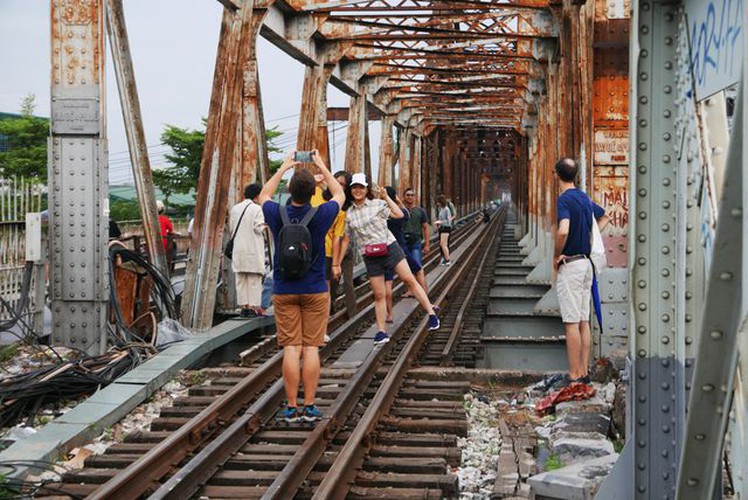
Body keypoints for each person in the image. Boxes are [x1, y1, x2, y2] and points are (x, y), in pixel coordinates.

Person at [259, 150, 344, 423]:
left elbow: (264, 194)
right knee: (311, 348)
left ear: (290, 191)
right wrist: (321, 165)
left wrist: (284, 167)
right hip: (315, 289)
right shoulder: (322, 213)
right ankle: (309, 406)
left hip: (284, 290)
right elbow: (339, 194)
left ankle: (291, 407)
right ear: (312, 192)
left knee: (291, 348)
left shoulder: (276, 213)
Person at [345, 174, 439, 345]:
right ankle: (381, 332)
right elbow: (346, 238)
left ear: (366, 190)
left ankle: (431, 314)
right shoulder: (349, 214)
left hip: (389, 248)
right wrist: (336, 262)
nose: (357, 190)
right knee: (379, 294)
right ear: (350, 190)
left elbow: (399, 214)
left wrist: (386, 196)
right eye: (354, 188)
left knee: (409, 279)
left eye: (361, 187)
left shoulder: (377, 204)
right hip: (370, 255)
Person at [553, 158, 610, 386]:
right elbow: (604, 216)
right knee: (583, 321)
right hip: (587, 265)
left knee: (570, 323)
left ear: (556, 175)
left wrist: (557, 254)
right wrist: (590, 236)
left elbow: (563, 229)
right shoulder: (584, 198)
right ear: (575, 175)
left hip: (572, 265)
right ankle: (584, 372)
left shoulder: (564, 200)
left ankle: (575, 375)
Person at [382, 186, 432, 323]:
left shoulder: (381, 213)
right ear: (397, 197)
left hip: (385, 250)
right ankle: (426, 300)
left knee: (388, 283)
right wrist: (397, 201)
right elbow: (405, 214)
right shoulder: (400, 213)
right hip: (400, 249)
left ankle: (389, 315)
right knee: (418, 270)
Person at [229, 183, 266, 318]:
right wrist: (265, 226)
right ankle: (253, 307)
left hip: (238, 250)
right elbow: (258, 228)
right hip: (253, 249)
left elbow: (232, 228)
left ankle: (244, 306)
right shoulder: (257, 209)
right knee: (254, 280)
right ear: (257, 195)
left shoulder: (235, 208)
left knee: (241, 279)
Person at [330, 171, 356, 319]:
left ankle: (353, 315)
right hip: (331, 249)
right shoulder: (328, 201)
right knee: (332, 283)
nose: (339, 186)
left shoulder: (349, 207)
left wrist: (337, 263)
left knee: (348, 283)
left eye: (342, 184)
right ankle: (330, 310)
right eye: (337, 182)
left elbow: (346, 238)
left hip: (346, 251)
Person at [402, 187, 430, 268]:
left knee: (417, 266)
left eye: (412, 195)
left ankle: (417, 280)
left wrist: (427, 244)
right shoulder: (399, 211)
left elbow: (426, 228)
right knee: (405, 268)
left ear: (415, 197)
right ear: (403, 197)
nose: (410, 197)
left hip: (416, 242)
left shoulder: (420, 211)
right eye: (407, 195)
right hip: (403, 243)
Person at [435, 195, 452, 266]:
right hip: (442, 228)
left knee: (443, 245)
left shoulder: (446, 209)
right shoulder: (441, 209)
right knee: (442, 244)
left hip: (446, 228)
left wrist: (440, 222)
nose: (437, 203)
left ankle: (448, 260)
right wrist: (439, 224)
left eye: (438, 202)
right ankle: (445, 259)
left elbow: (449, 221)